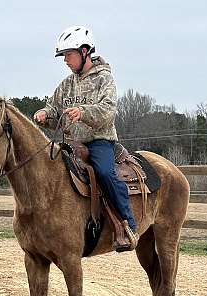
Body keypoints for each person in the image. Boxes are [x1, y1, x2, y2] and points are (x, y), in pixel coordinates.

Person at [33, 25, 139, 250]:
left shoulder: (104, 79)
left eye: (68, 55)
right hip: (73, 143)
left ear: (84, 52)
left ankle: (128, 224)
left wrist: (83, 112)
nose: (65, 61)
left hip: (99, 140)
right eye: (63, 56)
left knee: (104, 173)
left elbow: (108, 110)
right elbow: (54, 110)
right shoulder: (66, 84)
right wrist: (45, 114)